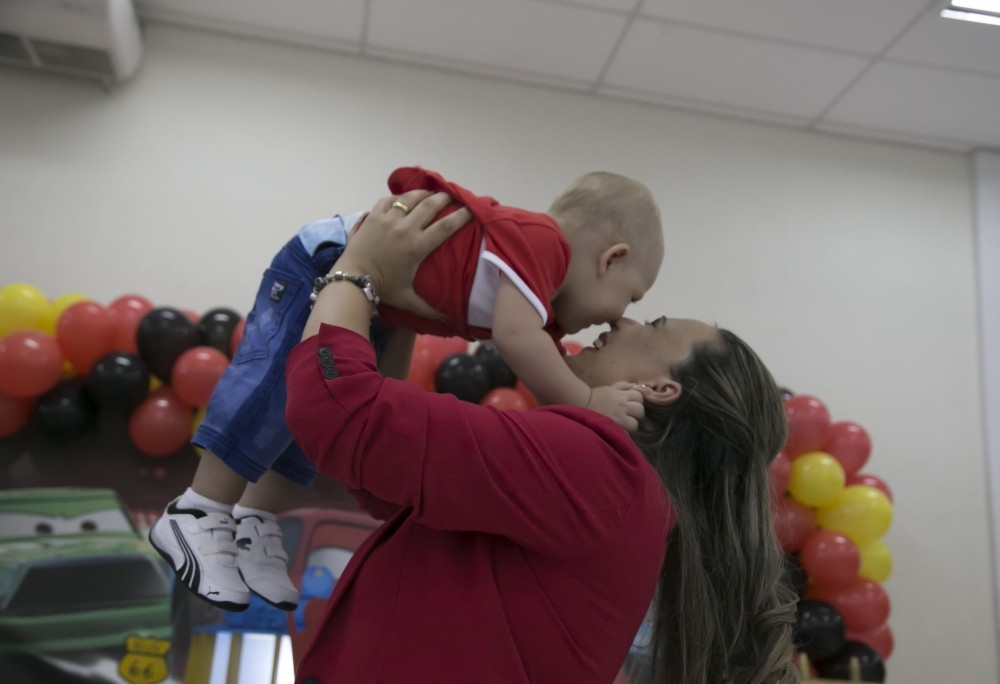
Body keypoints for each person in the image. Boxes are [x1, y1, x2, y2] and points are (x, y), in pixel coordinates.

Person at [284, 190, 798, 683]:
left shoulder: (600, 465)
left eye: (653, 323)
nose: (621, 319)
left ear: (662, 389)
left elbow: (339, 408)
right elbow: (388, 480)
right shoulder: (618, 492)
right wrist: (401, 314)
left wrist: (358, 271)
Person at [147, 167, 664, 613]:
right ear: (610, 258)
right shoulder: (544, 245)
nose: (620, 317)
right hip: (328, 258)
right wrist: (588, 400)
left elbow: (402, 370)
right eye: (631, 296)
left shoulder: (540, 305)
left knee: (307, 423)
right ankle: (198, 508)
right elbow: (515, 340)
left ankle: (253, 519)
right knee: (274, 388)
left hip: (381, 301)